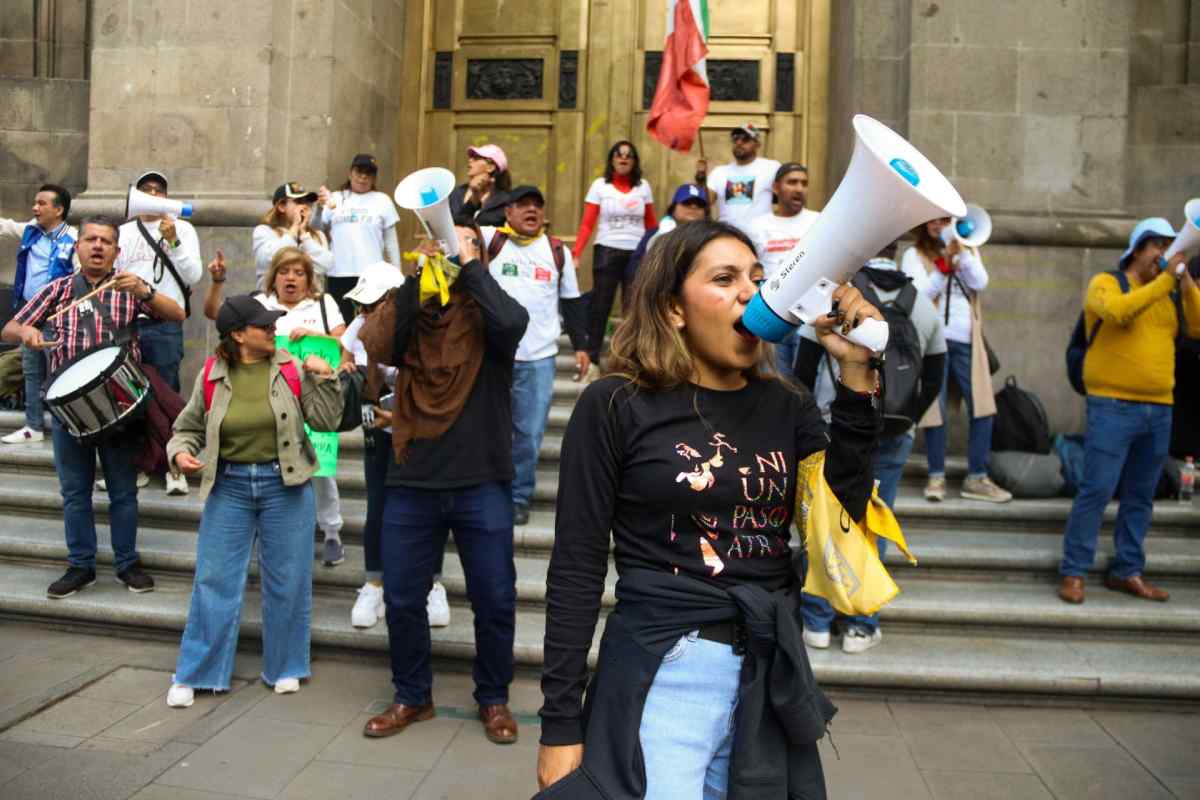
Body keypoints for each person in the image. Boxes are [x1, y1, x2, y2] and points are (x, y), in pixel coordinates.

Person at [536, 220, 881, 798]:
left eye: (757, 278)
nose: (750, 292)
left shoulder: (787, 405)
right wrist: (560, 724)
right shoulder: (615, 405)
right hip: (664, 673)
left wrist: (853, 373)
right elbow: (575, 567)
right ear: (673, 308)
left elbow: (836, 528)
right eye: (724, 279)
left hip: (765, 677)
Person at [357, 224, 528, 746]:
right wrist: (417, 277)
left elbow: (513, 321)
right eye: (437, 239)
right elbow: (380, 342)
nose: (447, 249)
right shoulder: (414, 318)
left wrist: (468, 265)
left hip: (482, 482)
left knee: (495, 598)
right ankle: (413, 696)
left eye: (460, 241)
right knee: (404, 598)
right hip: (413, 482)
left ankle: (493, 697)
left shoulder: (490, 320)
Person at [164, 294, 343, 708]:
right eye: (263, 325)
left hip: (287, 485)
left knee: (288, 580)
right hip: (229, 485)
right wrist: (178, 452)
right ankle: (196, 672)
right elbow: (186, 427)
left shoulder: (291, 367)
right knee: (215, 580)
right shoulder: (211, 373)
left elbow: (326, 421)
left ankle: (286, 666)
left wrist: (325, 377)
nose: (272, 329)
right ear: (239, 335)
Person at [1, 216, 185, 598]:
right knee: (74, 492)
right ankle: (80, 566)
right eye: (90, 239)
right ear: (78, 247)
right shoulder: (59, 290)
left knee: (123, 492)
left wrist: (146, 292)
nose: (97, 246)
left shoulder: (128, 288)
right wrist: (29, 332)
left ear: (117, 251)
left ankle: (127, 563)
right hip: (70, 408)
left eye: (105, 241)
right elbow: (10, 328)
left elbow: (177, 314)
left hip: (119, 405)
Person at [794, 243, 946, 653]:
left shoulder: (836, 299)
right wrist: (908, 415)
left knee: (824, 521)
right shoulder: (922, 306)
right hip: (895, 431)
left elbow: (803, 370)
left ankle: (817, 620)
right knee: (875, 519)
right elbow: (937, 371)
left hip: (833, 425)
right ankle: (862, 623)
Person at [1057, 219, 1200, 605]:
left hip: (1159, 410)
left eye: (1172, 246)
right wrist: (1165, 282)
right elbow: (1120, 313)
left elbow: (1199, 325)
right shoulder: (1106, 283)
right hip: (1112, 406)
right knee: (1097, 489)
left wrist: (1185, 283)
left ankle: (1127, 569)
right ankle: (1073, 570)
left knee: (1141, 495)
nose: (1165, 253)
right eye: (1158, 246)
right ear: (1137, 249)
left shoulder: (1170, 291)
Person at [339, 262, 452, 630]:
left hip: (420, 430)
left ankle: (432, 584)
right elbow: (346, 357)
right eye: (361, 307)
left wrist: (403, 415)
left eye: (372, 306)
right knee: (378, 504)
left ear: (393, 301)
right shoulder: (359, 327)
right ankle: (374, 583)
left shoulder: (421, 327)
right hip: (377, 430)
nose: (364, 313)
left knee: (429, 509)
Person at [483, 185, 589, 526]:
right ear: (508, 212)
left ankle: (518, 496)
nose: (531, 211)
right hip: (494, 355)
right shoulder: (490, 241)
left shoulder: (556, 250)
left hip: (540, 358)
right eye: (522, 205)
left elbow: (572, 302)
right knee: (491, 429)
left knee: (529, 434)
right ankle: (487, 492)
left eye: (537, 206)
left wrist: (583, 345)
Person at [901, 219, 1011, 503]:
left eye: (946, 219)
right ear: (924, 223)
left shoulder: (969, 250)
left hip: (966, 339)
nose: (940, 225)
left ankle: (977, 476)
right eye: (934, 220)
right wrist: (942, 267)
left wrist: (961, 254)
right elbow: (918, 295)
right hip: (932, 340)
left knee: (983, 406)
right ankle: (936, 475)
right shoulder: (914, 255)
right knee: (935, 410)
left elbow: (981, 282)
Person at [112, 170, 203, 495]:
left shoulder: (184, 229)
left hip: (164, 322)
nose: (152, 194)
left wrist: (174, 240)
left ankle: (173, 466)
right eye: (146, 189)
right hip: (127, 323)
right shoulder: (122, 232)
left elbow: (193, 275)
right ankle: (141, 462)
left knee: (167, 391)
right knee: (131, 395)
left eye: (158, 190)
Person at [0, 184, 76, 444]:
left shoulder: (75, 239)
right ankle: (33, 425)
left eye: (42, 203)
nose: (35, 208)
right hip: (29, 314)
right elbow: (6, 226)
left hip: (58, 317)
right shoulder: (30, 232)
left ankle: (65, 426)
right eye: (35, 202)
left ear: (59, 209)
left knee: (60, 372)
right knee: (31, 371)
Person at [573, 140, 657, 372]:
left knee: (634, 306)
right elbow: (587, 223)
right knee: (601, 305)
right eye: (619, 155)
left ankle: (631, 358)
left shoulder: (644, 187)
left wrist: (657, 250)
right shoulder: (600, 186)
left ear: (635, 161)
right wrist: (576, 253)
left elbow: (651, 224)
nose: (623, 159)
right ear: (612, 159)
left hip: (637, 252)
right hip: (607, 249)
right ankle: (591, 360)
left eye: (629, 155)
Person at [746, 163, 821, 374]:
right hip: (772, 317)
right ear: (776, 188)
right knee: (775, 383)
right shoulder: (757, 226)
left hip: (810, 319)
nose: (799, 188)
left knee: (805, 386)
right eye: (792, 182)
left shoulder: (819, 221)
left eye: (804, 183)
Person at [313, 153, 402, 322]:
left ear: (374, 178)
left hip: (371, 275)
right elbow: (316, 229)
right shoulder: (335, 198)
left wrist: (397, 276)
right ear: (350, 173)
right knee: (340, 322)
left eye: (368, 173)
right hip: (338, 274)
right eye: (359, 171)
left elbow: (391, 243)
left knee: (370, 323)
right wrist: (318, 207)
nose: (363, 177)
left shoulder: (382, 200)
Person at [696, 123, 782, 235]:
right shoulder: (719, 172)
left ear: (757, 144)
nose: (739, 143)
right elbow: (705, 203)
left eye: (745, 139)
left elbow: (786, 198)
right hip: (727, 237)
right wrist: (701, 177)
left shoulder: (771, 167)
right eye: (735, 139)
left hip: (761, 237)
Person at [253, 182, 334, 288]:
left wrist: (304, 236)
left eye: (308, 203)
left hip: (309, 302)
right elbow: (269, 260)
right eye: (299, 202)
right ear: (282, 206)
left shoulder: (316, 235)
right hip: (271, 301)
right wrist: (295, 228)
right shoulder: (264, 231)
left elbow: (325, 265)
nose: (305, 206)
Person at [626, 183, 709, 280]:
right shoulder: (655, 234)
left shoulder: (710, 238)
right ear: (673, 208)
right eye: (687, 202)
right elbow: (633, 269)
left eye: (700, 205)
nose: (693, 207)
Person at [449, 144, 512, 227]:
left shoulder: (504, 201)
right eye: (471, 157)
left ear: (490, 167)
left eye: (476, 158)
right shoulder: (456, 193)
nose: (470, 160)